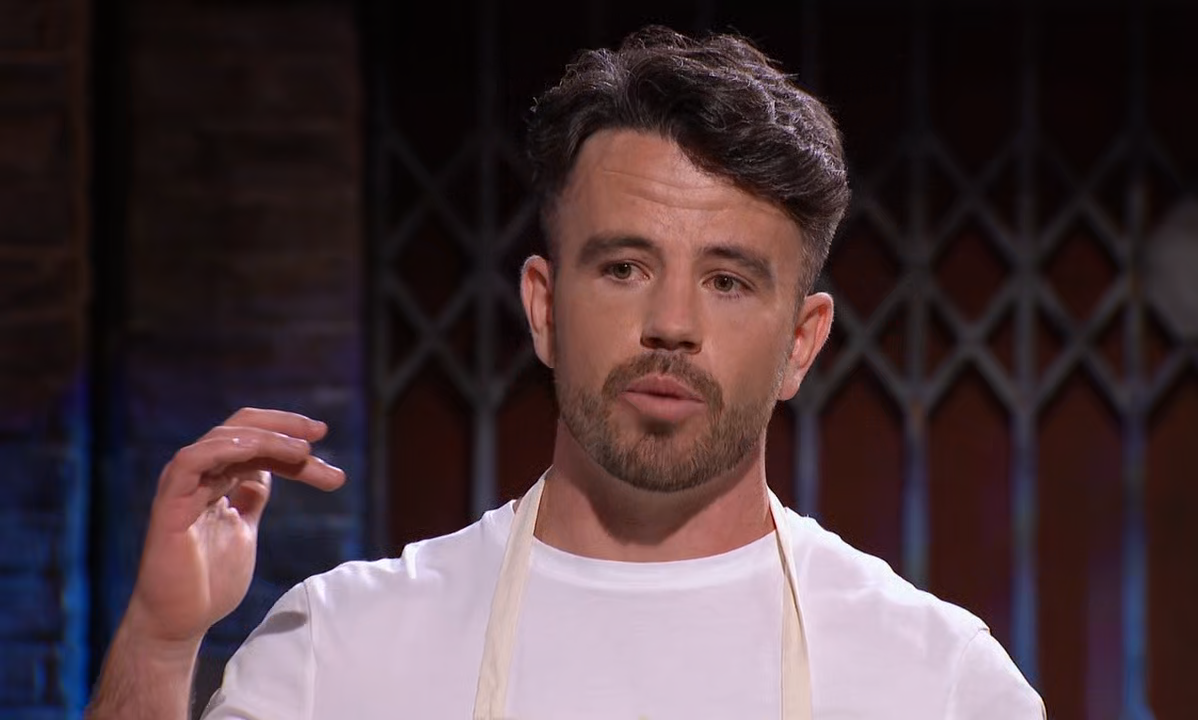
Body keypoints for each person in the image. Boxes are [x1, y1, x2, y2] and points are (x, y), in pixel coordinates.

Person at [87, 26, 1045, 719]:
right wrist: (161, 640)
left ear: (802, 341)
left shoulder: (937, 682)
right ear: (544, 308)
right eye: (624, 267)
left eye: (727, 281)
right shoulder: (342, 648)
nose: (672, 325)